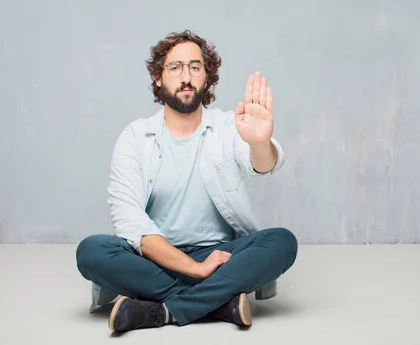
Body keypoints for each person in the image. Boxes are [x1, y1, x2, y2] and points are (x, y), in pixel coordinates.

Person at [75, 30, 297, 332]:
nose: (186, 76)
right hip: (155, 259)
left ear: (207, 77)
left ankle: (161, 311)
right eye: (175, 67)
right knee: (91, 251)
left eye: (195, 67)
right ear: (158, 77)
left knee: (282, 242)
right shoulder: (135, 137)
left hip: (220, 256)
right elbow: (130, 224)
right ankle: (218, 303)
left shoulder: (227, 126)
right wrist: (193, 268)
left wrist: (260, 142)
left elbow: (264, 164)